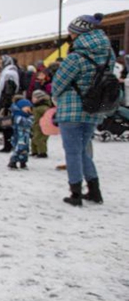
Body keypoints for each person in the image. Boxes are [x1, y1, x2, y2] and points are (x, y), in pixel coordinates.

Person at [52, 13, 114, 206]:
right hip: (94, 108)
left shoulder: (76, 57)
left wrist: (57, 96)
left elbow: (58, 84)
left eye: (71, 32)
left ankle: (76, 193)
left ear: (78, 32)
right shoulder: (108, 54)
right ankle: (95, 191)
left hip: (71, 109)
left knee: (72, 151)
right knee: (83, 151)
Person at [0, 56, 21, 153]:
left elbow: (8, 89)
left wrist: (5, 104)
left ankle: (8, 146)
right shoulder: (9, 72)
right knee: (7, 125)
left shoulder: (8, 73)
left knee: (7, 125)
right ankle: (8, 145)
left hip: (7, 102)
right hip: (8, 101)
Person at [8, 97, 33, 169]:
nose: (28, 109)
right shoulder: (17, 116)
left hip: (25, 137)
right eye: (26, 107)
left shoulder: (26, 116)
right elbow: (26, 123)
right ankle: (13, 161)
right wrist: (30, 118)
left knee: (25, 150)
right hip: (19, 137)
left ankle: (23, 162)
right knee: (19, 149)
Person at [31, 90, 53, 158]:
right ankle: (34, 151)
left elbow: (49, 116)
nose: (32, 99)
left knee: (40, 139)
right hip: (36, 126)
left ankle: (42, 152)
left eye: (34, 98)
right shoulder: (36, 107)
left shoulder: (43, 108)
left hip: (42, 127)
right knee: (34, 139)